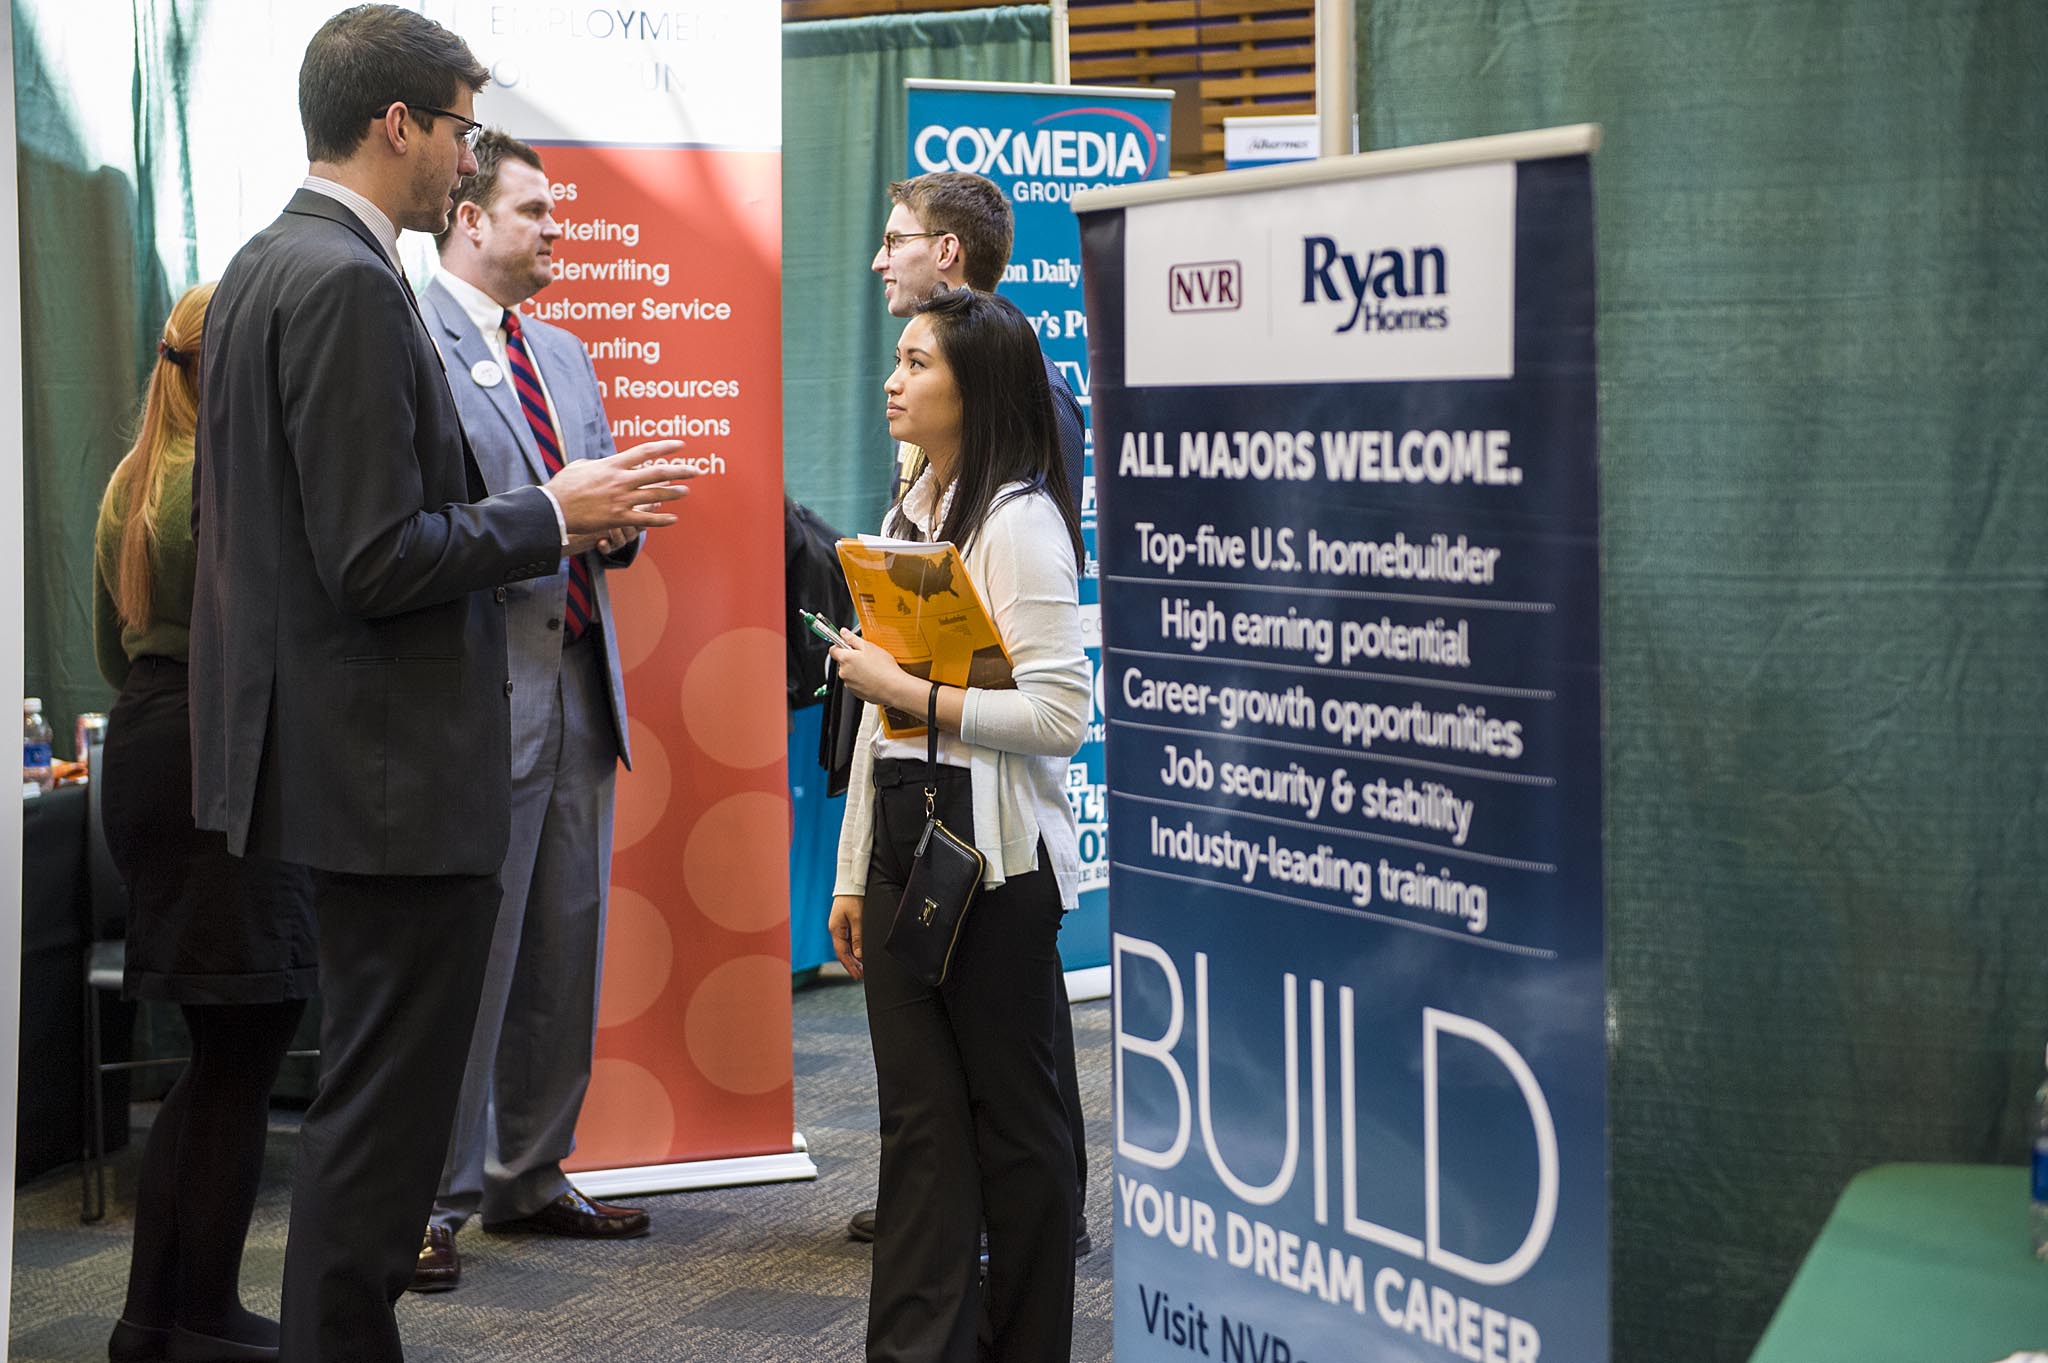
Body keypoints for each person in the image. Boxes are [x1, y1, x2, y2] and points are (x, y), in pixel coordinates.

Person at [185, 8, 688, 1359]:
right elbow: (369, 555)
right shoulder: (348, 281)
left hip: (350, 765)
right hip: (396, 776)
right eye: (463, 131)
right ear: (398, 123)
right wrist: (549, 511)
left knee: (370, 1109)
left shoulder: (268, 262)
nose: (467, 163)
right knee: (384, 1122)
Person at [827, 288, 1089, 1362]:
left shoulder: (1019, 522)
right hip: (900, 843)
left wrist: (911, 688)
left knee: (1019, 1140)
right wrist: (851, 873)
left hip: (995, 864)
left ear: (972, 389)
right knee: (919, 1137)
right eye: (895, 359)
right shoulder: (906, 517)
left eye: (916, 363)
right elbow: (880, 726)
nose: (893, 379)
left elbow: (1058, 715)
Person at [409, 129, 650, 1292]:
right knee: (472, 958)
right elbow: (416, 529)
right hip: (477, 694)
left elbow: (597, 492)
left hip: (580, 687)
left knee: (565, 943)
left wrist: (618, 514)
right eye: (536, 211)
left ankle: (531, 1172)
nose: (557, 230)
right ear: (469, 218)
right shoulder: (411, 340)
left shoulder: (562, 351)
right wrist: (556, 510)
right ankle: (428, 1199)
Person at [92, 282, 316, 1363]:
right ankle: (190, 1314)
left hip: (147, 745)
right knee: (240, 1047)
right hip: (221, 759)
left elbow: (112, 648)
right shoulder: (234, 480)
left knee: (218, 1048)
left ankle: (158, 1318)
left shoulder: (133, 479)